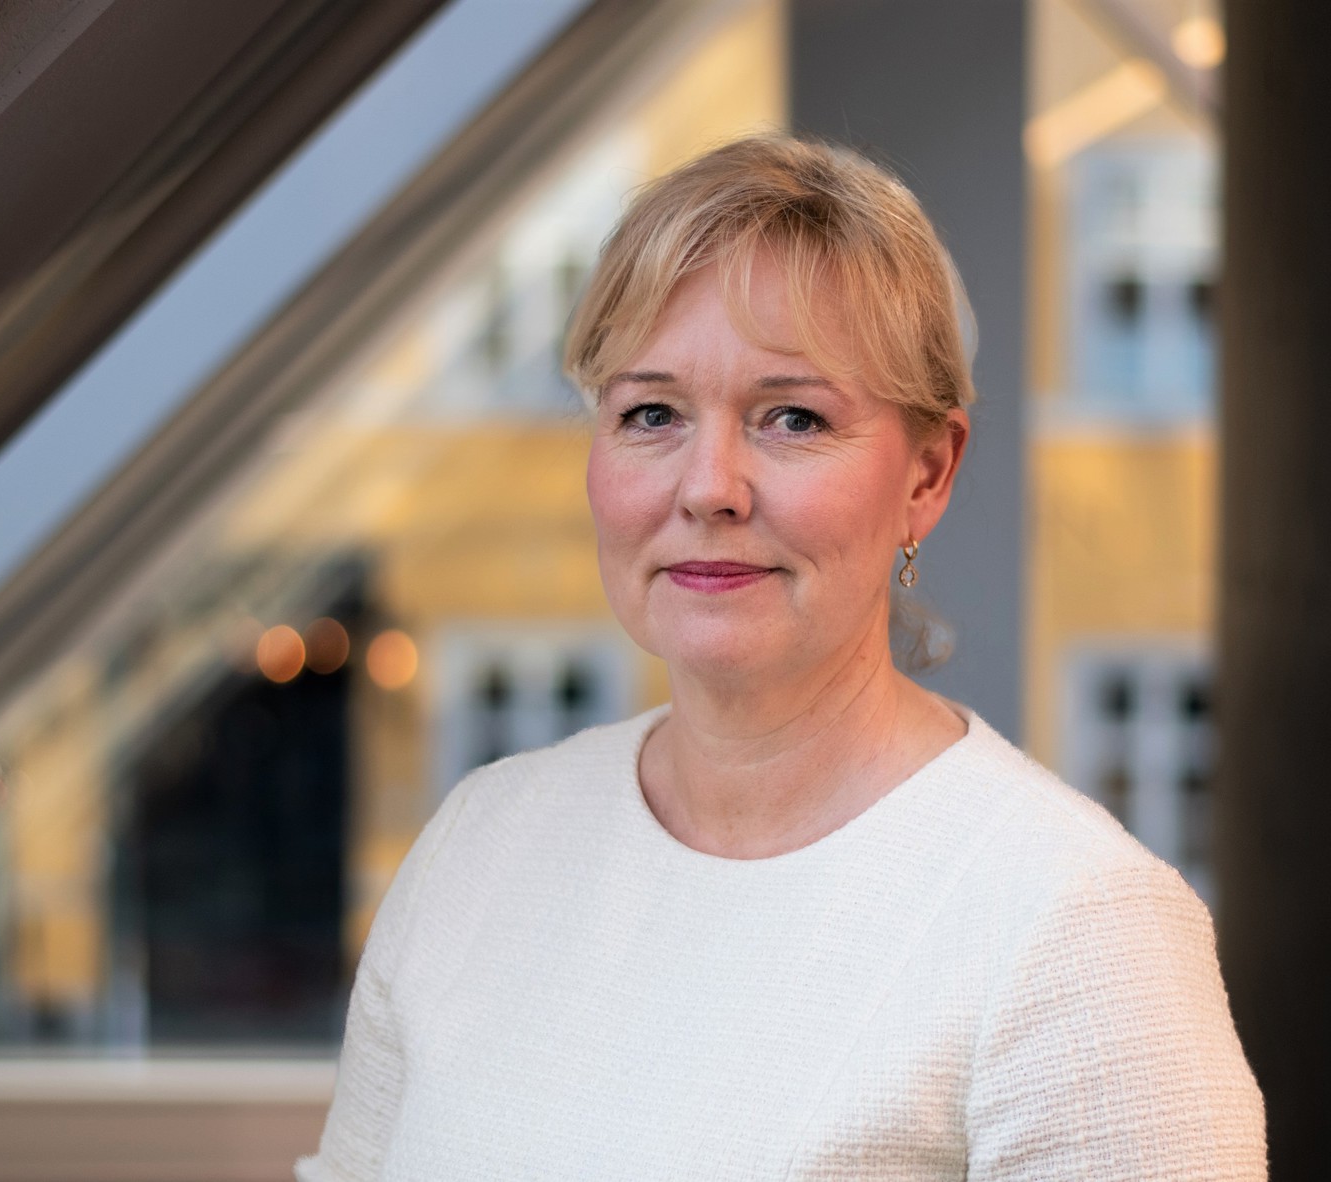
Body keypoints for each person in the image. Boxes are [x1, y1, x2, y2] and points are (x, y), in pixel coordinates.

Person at [294, 136, 1265, 1180]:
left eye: (791, 417)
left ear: (928, 475)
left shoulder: (1078, 929)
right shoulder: (479, 847)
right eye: (650, 413)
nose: (709, 485)